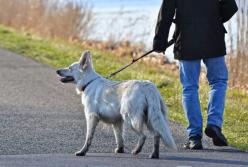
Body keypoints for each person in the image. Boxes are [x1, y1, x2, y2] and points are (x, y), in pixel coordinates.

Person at [153, 0, 238, 149]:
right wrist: (214, 20)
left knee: (189, 87)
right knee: (218, 82)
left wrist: (160, 42)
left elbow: (166, 13)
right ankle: (214, 124)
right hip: (213, 37)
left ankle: (194, 136)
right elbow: (231, 7)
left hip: (186, 40)